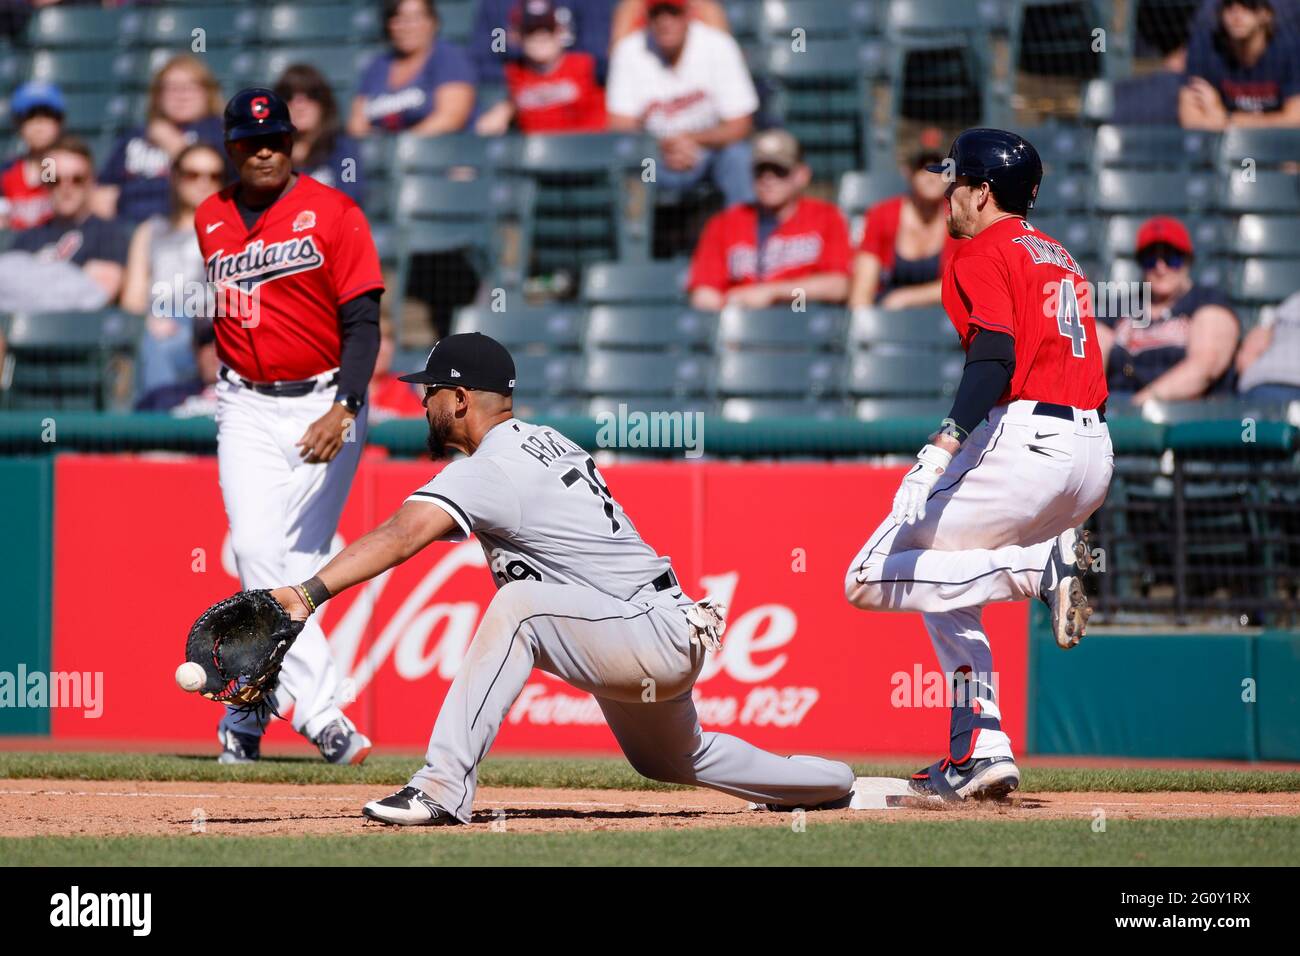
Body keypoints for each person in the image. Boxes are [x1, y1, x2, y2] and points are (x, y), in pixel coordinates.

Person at [248, 331, 858, 825]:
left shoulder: (491, 466)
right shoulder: (543, 440)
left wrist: (306, 594)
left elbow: (400, 534)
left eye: (430, 391)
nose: (422, 404)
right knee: (674, 758)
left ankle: (439, 788)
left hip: (646, 630)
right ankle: (833, 783)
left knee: (519, 608)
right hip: (655, 627)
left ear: (459, 399)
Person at [844, 129, 1113, 802]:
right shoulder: (1059, 254)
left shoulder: (978, 247)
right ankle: (980, 747)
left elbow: (993, 355)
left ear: (982, 192)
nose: (948, 194)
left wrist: (944, 442)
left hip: (1028, 440)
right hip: (1091, 451)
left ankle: (1039, 566)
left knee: (866, 575)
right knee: (946, 579)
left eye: (956, 182)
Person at [196, 88, 383, 765]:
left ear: (294, 144)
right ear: (231, 147)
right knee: (254, 549)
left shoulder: (335, 212)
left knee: (294, 568)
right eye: (250, 140)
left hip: (324, 400)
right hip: (244, 401)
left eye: (275, 137)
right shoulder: (209, 217)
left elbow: (364, 323)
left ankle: (248, 718)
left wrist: (346, 406)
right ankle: (323, 712)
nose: (264, 148)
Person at [606, 0, 758, 207]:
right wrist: (662, 147)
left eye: (673, 12)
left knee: (738, 156)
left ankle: (740, 236)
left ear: (688, 14)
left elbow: (741, 125)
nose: (665, 22)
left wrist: (691, 139)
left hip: (708, 153)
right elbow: (622, 128)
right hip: (653, 158)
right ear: (646, 18)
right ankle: (634, 237)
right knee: (628, 163)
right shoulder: (629, 50)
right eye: (657, 14)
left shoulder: (718, 44)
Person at [687, 129, 850, 310]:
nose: (768, 178)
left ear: (802, 175)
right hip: (742, 327)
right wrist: (730, 306)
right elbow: (703, 293)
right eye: (760, 170)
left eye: (779, 170)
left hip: (802, 317)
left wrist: (773, 293)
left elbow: (839, 286)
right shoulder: (724, 223)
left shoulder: (826, 217)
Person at [1095, 216, 1240, 403]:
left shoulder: (1207, 302)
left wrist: (1144, 401)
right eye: (1150, 259)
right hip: (1117, 408)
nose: (1160, 268)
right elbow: (1088, 357)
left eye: (1172, 259)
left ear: (1187, 261)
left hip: (1186, 413)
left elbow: (1206, 365)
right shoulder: (1122, 307)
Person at [121, 144, 226, 398]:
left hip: (209, 324)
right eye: (193, 174)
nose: (203, 183)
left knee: (160, 345)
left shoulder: (230, 231)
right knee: (152, 341)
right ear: (176, 178)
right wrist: (150, 321)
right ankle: (160, 420)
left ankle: (162, 421)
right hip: (158, 320)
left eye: (213, 176)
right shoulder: (150, 231)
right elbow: (133, 299)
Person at [96, 55, 226, 225]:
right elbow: (105, 189)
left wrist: (172, 141)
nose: (182, 96)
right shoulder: (135, 135)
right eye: (172, 88)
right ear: (158, 96)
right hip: (127, 224)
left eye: (191, 87)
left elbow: (220, 179)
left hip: (186, 225)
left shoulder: (218, 131)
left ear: (207, 93)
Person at [13, 136, 129, 304]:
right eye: (55, 180)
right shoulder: (26, 239)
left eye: (77, 179)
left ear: (91, 181)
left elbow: (97, 295)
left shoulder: (109, 234)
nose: (66, 188)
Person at [849, 150, 960, 309]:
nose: (931, 177)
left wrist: (905, 298)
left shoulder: (959, 218)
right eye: (922, 169)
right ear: (909, 173)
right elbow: (862, 291)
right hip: (886, 316)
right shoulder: (882, 215)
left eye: (941, 169)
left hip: (943, 320)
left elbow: (966, 282)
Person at [475, 0, 607, 136]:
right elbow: (489, 55)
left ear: (562, 32)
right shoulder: (515, 73)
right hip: (536, 152)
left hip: (585, 148)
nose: (540, 37)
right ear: (517, 37)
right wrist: (507, 108)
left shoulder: (586, 66)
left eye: (548, 29)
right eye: (530, 31)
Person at [349, 0, 476, 136]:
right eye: (397, 19)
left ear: (433, 22)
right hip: (382, 154)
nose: (406, 26)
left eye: (415, 18)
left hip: (441, 152)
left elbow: (451, 118)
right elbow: (357, 124)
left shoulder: (448, 57)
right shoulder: (377, 65)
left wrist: (400, 147)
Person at [1180, 0, 1300, 128]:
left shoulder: (1289, 46)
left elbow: (1295, 119)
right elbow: (1191, 118)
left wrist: (1227, 119)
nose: (1237, 15)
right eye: (1229, 6)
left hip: (1278, 143)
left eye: (1248, 6)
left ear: (1266, 14)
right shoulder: (1205, 45)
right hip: (1222, 144)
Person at [275, 65, 364, 204]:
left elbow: (350, 194)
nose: (299, 105)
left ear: (324, 103)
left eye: (311, 94)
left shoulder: (346, 149)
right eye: (288, 96)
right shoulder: (268, 152)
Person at [471, 0, 614, 85]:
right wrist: (525, 77)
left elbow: (596, 57)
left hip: (574, 90)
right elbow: (494, 53)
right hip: (519, 89)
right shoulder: (499, 6)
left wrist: (553, 71)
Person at [1, 81, 64, 232]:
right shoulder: (7, 172)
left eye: (47, 114)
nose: (39, 123)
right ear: (18, 124)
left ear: (60, 122)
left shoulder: (71, 171)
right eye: (30, 115)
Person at [134, 320, 220, 417]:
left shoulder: (239, 401)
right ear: (193, 346)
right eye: (206, 339)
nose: (216, 349)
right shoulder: (160, 400)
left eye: (226, 340)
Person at [1237, 288, 1300, 403]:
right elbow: (1253, 348)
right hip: (1266, 382)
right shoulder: (1294, 302)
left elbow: (1249, 352)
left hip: (1264, 381)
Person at [610, 0, 728, 44]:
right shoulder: (630, 9)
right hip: (647, 87)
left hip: (697, 89)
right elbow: (619, 59)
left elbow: (723, 56)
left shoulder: (706, 9)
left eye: (673, 12)